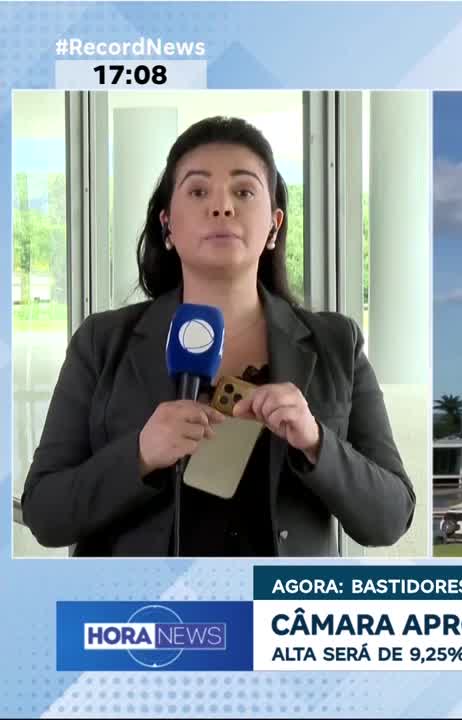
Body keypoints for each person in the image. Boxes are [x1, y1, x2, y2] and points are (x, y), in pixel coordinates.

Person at [21, 116, 416, 557]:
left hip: (277, 618)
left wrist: (315, 441)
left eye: (244, 191)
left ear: (274, 224)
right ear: (167, 224)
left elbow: (390, 517)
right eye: (198, 190)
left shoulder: (337, 343)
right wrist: (140, 454)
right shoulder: (102, 341)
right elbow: (45, 513)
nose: (222, 206)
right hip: (142, 617)